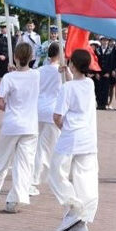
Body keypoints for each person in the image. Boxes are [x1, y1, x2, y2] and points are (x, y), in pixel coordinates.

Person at [0, 42, 40, 213]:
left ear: (16, 57)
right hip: (30, 126)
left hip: (12, 124)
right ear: (31, 58)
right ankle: (15, 200)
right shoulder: (36, 75)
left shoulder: (8, 78)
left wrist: (9, 108)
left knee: (2, 161)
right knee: (24, 164)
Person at [49, 49, 98, 231]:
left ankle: (74, 206)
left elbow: (57, 116)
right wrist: (68, 72)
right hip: (88, 137)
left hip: (71, 136)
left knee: (56, 173)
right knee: (85, 178)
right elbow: (77, 85)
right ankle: (81, 219)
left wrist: (63, 127)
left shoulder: (66, 88)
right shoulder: (90, 83)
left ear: (73, 64)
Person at [31, 42, 68, 196]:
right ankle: (34, 179)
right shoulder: (60, 72)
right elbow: (72, 84)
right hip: (52, 112)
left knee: (37, 147)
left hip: (38, 110)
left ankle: (37, 177)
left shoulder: (40, 70)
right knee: (45, 149)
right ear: (59, 55)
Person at [95, 36, 116, 110]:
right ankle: (99, 104)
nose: (105, 42)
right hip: (99, 72)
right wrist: (96, 72)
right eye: (103, 40)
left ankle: (104, 104)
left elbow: (112, 62)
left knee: (106, 89)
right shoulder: (97, 49)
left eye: (106, 40)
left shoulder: (111, 50)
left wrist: (109, 72)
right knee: (98, 88)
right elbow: (95, 61)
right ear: (101, 41)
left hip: (107, 72)